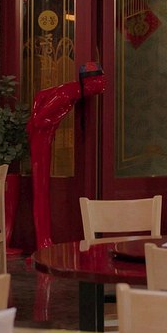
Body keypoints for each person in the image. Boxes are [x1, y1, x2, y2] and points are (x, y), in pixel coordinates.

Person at [27, 62, 106, 250]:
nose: (101, 86)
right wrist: (49, 126)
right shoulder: (65, 94)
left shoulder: (71, 93)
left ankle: (44, 240)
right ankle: (43, 241)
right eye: (98, 82)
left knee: (42, 191)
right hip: (40, 142)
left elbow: (40, 97)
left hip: (45, 139)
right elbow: (38, 120)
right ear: (88, 83)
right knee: (40, 191)